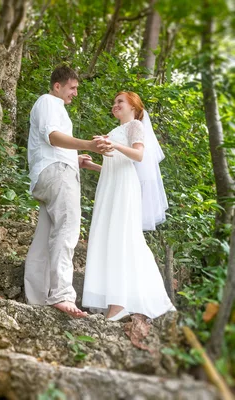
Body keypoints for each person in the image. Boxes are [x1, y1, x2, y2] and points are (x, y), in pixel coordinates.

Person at [24, 65, 111, 318]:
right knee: (68, 229)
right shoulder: (50, 101)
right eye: (72, 88)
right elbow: (52, 137)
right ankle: (62, 293)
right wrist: (89, 145)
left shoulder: (51, 106)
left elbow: (51, 142)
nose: (75, 93)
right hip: (57, 174)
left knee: (45, 238)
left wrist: (77, 157)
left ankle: (37, 298)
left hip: (49, 173)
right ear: (58, 86)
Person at [82, 91, 176, 321]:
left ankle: (120, 303)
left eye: (120, 102)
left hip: (125, 187)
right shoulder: (115, 131)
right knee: (108, 236)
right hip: (111, 185)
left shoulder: (135, 126)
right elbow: (115, 165)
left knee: (121, 237)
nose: (115, 105)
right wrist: (92, 165)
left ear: (133, 106)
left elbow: (138, 155)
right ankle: (116, 300)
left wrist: (112, 143)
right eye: (113, 102)